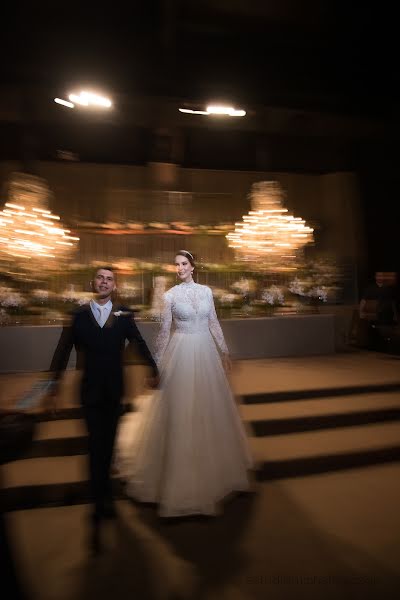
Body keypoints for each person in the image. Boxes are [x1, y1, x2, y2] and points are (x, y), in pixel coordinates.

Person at [117, 251, 252, 517]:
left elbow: (213, 322)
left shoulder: (206, 292)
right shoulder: (169, 296)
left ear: (193, 267)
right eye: (176, 264)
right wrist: (155, 366)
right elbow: (165, 332)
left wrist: (225, 352)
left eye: (184, 264)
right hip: (180, 354)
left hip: (205, 354)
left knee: (208, 409)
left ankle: (214, 474)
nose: (179, 268)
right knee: (179, 411)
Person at [48, 266, 159, 553]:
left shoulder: (124, 314)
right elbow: (61, 352)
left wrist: (153, 368)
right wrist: (51, 388)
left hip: (114, 392)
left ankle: (105, 495)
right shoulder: (77, 316)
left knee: (108, 447)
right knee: (95, 447)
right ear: (93, 282)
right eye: (100, 277)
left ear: (115, 285)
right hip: (90, 394)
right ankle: (98, 506)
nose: (104, 282)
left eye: (109, 278)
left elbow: (138, 342)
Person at [359, 271, 398, 350]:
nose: (380, 277)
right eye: (378, 276)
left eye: (382, 276)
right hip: (374, 315)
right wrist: (361, 311)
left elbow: (393, 302)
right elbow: (363, 300)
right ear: (375, 277)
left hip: (386, 315)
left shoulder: (389, 289)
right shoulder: (370, 289)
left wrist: (395, 314)